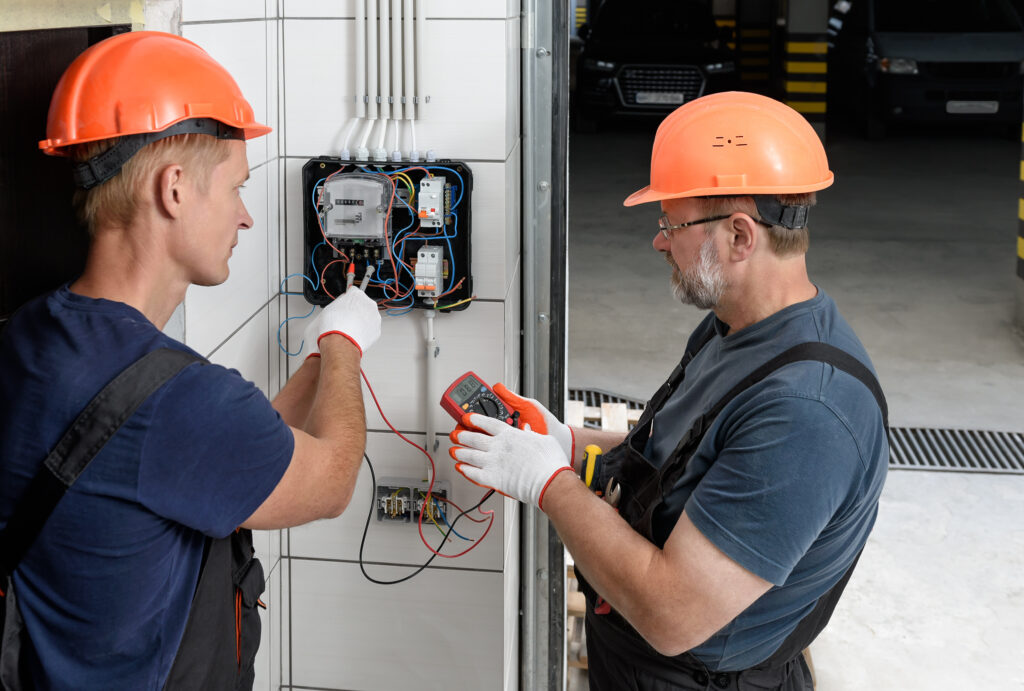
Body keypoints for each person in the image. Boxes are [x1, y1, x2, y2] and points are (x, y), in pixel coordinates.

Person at [449, 92, 889, 690]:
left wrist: (548, 483)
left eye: (672, 224)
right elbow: (687, 460)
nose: (659, 242)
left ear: (740, 236)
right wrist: (569, 442)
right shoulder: (736, 328)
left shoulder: (805, 413)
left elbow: (671, 613)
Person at [0, 31, 380, 689]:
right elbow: (332, 478)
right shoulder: (183, 404)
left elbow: (232, 454)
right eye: (235, 188)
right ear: (174, 189)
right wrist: (345, 346)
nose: (245, 217)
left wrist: (323, 352)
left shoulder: (30, 333)